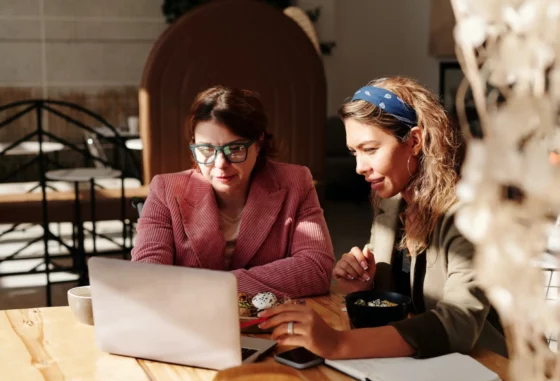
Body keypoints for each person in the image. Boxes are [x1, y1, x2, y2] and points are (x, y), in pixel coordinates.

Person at [258, 76, 508, 359]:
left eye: (370, 149)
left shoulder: (471, 215)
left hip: (488, 369)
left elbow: (460, 323)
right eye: (354, 152)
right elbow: (398, 304)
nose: (359, 167)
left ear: (414, 141)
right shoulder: (391, 206)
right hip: (420, 366)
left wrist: (338, 345)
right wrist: (364, 286)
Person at [132, 86, 335, 298]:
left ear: (258, 144)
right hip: (191, 324)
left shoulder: (295, 182)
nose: (220, 164)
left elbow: (316, 268)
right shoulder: (166, 190)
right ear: (193, 145)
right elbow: (147, 276)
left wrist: (218, 286)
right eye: (207, 149)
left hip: (272, 325)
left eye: (236, 148)